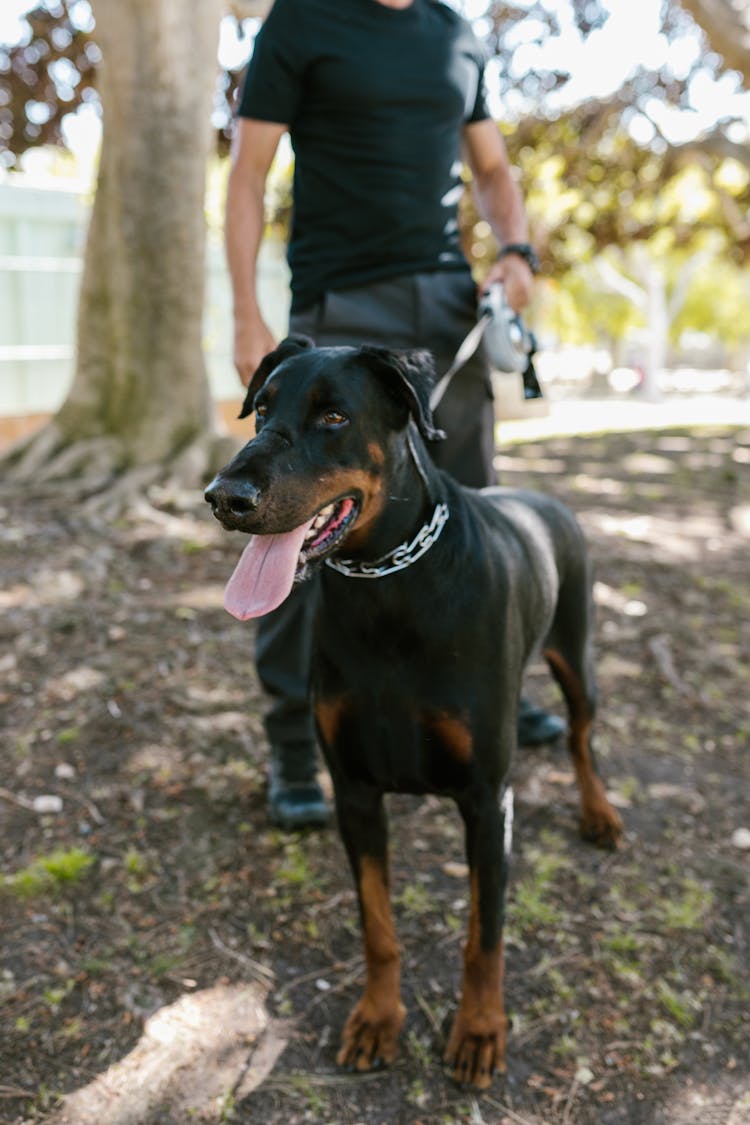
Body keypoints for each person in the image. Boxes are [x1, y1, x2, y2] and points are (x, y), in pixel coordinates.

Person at [225, 0, 564, 829]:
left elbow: (489, 169)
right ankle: (295, 744)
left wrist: (514, 247)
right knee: (296, 523)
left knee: (474, 520)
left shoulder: (455, 33)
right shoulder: (301, 22)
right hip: (342, 304)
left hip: (449, 302)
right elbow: (248, 173)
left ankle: (491, 696)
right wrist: (244, 311)